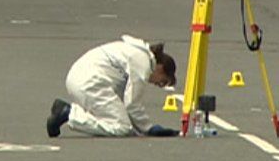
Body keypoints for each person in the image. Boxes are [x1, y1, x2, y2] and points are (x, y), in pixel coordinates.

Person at [46, 35, 180, 138]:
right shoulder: (143, 64)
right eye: (161, 81)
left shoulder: (136, 52)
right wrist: (149, 128)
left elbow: (123, 102)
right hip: (91, 82)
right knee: (122, 128)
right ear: (161, 67)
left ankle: (69, 113)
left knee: (116, 121)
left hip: (81, 77)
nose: (156, 84)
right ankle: (69, 114)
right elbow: (132, 104)